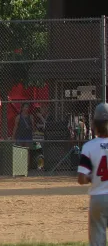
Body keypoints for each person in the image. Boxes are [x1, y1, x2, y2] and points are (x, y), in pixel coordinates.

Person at [77, 102, 108, 246]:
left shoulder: (88, 146)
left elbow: (81, 178)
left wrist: (92, 176)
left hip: (98, 198)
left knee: (97, 240)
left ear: (95, 123)